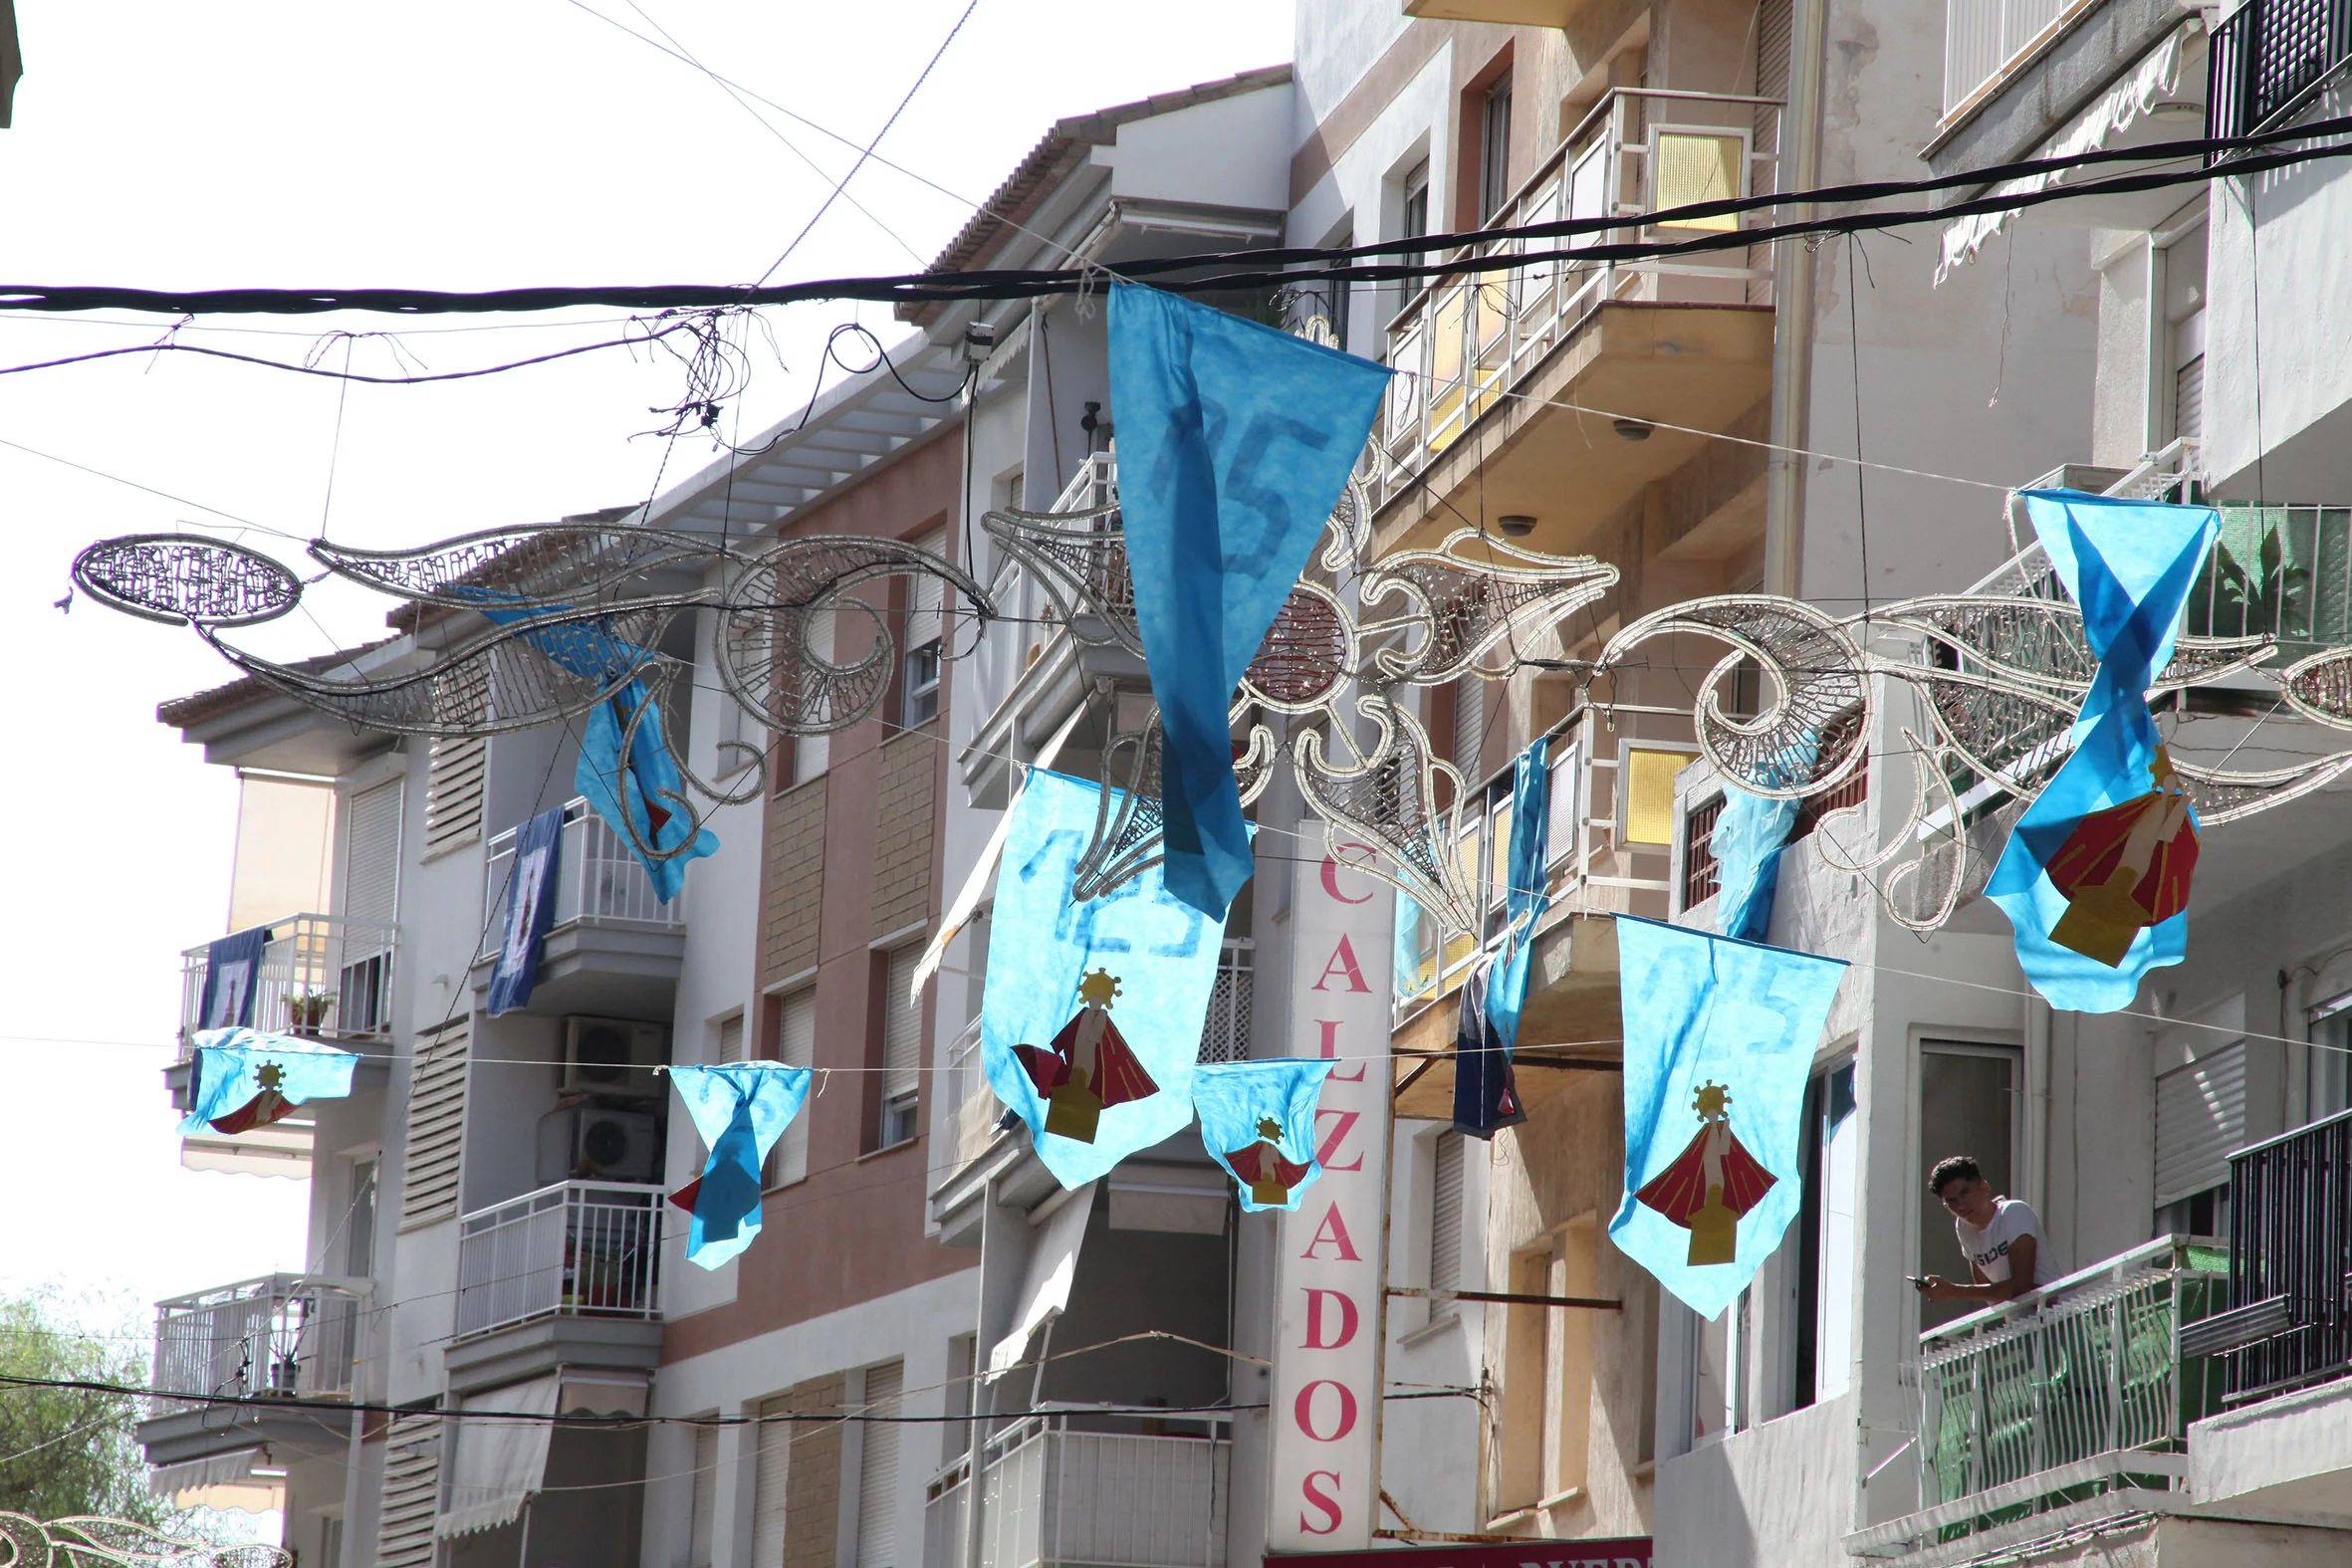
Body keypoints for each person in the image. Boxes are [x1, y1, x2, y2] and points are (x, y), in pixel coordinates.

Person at [1915, 1155, 2061, 1304]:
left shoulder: (2013, 1212)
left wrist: (1953, 1291)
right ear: (1946, 1206)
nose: (1961, 1205)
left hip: (2060, 1318)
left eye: (1965, 1193)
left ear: (1984, 1187)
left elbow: (2021, 1287)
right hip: (2022, 1324)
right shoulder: (1964, 1228)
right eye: (1952, 1201)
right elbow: (1988, 1294)